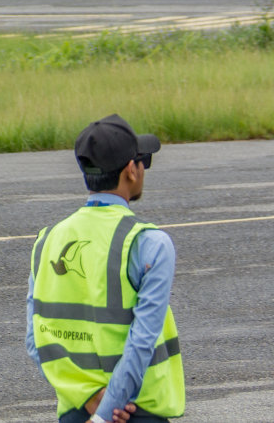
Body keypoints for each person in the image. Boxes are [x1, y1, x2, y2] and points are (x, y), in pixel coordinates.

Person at [27, 114, 185, 423]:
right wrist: (102, 415)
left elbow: (37, 341)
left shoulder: (47, 240)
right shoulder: (149, 243)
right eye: (144, 161)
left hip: (77, 411)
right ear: (130, 170)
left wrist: (88, 399)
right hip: (134, 412)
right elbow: (141, 342)